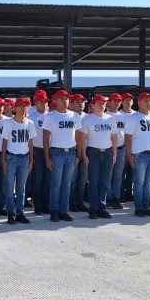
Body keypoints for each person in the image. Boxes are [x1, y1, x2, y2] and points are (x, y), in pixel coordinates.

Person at [44, 90, 81, 223]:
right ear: (55, 101)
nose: (65, 100)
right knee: (56, 183)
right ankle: (54, 210)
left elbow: (78, 136)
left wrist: (79, 154)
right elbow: (46, 138)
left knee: (67, 184)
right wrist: (47, 158)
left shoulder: (75, 116)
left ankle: (63, 211)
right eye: (61, 98)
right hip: (57, 152)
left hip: (71, 152)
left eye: (66, 98)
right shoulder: (50, 117)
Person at [79, 95, 117, 219]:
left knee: (104, 182)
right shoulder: (87, 120)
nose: (101, 106)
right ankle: (93, 208)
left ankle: (102, 207)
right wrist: (84, 155)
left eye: (103, 103)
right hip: (93, 153)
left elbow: (114, 137)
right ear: (93, 105)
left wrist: (114, 154)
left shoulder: (110, 119)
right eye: (99, 103)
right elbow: (83, 138)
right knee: (93, 182)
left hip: (107, 152)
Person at [124, 93, 150, 218]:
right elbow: (127, 138)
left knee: (148, 183)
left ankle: (146, 206)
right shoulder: (133, 118)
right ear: (139, 103)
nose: (149, 102)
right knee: (139, 182)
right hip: (140, 154)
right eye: (146, 100)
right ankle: (139, 208)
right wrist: (129, 155)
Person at [1, 98, 36, 224]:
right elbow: (4, 142)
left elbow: (30, 143)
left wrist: (31, 160)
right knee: (10, 187)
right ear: (15, 108)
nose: (23, 108)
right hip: (11, 158)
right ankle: (10, 212)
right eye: (21, 106)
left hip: (24, 158)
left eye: (25, 106)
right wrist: (4, 160)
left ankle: (20, 212)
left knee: (21, 188)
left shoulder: (30, 123)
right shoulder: (9, 123)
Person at [27, 90, 51, 214]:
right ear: (36, 102)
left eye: (46, 102)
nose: (44, 104)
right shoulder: (31, 118)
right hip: (37, 150)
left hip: (50, 150)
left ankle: (46, 204)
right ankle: (38, 206)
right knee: (37, 180)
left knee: (48, 180)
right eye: (41, 102)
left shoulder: (51, 115)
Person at [106, 93, 127, 209]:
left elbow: (127, 135)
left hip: (121, 148)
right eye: (114, 101)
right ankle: (108, 198)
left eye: (119, 101)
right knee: (108, 175)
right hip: (109, 149)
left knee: (118, 176)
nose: (117, 103)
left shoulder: (124, 116)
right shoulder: (106, 115)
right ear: (109, 102)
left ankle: (116, 197)